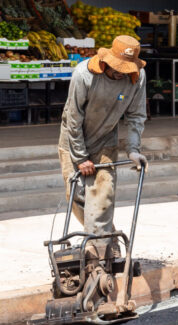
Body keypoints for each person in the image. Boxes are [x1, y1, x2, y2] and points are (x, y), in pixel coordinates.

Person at [58, 35, 148, 251]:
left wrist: (133, 150)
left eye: (126, 69)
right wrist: (80, 158)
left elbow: (136, 115)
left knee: (103, 195)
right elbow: (74, 117)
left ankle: (102, 248)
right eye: (118, 68)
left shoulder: (138, 77)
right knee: (77, 195)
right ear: (107, 60)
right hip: (73, 138)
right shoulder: (84, 74)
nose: (121, 73)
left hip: (106, 138)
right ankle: (105, 239)